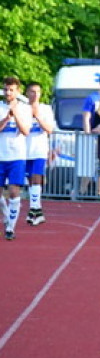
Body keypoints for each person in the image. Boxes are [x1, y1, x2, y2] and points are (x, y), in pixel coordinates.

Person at [1, 77, 32, 240]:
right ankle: (6, 216)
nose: (8, 92)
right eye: (6, 89)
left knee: (14, 192)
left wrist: (16, 114)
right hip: (1, 155)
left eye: (11, 90)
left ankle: (10, 228)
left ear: (17, 91)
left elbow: (26, 131)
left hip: (17, 156)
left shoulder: (25, 108)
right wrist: (7, 118)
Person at [24, 82, 55, 226]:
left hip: (39, 149)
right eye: (32, 91)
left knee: (37, 178)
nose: (35, 94)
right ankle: (37, 210)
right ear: (27, 93)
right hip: (24, 150)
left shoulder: (46, 109)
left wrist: (37, 117)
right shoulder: (22, 108)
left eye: (38, 92)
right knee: (31, 181)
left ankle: (33, 210)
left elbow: (49, 129)